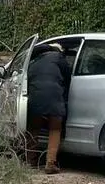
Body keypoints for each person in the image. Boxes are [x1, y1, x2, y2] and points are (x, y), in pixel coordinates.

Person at [25, 41, 72, 174]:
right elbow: (68, 78)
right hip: (54, 97)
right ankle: (50, 163)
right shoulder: (58, 58)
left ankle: (30, 162)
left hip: (35, 99)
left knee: (33, 129)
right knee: (55, 129)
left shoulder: (33, 61)